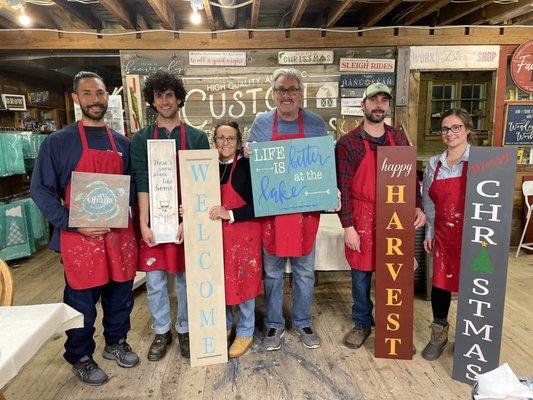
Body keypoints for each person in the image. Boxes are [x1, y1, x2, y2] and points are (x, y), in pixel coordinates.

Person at [30, 71, 139, 386]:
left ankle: (116, 342)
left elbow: (132, 190)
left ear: (108, 97)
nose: (96, 100)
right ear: (76, 99)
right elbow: (41, 190)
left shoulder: (123, 143)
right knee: (81, 304)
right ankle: (80, 355)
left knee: (121, 296)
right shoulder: (57, 142)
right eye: (88, 94)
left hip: (119, 236)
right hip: (79, 239)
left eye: (101, 93)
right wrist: (72, 222)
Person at [336, 82, 426, 350]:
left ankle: (392, 328)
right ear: (363, 105)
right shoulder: (348, 143)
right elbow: (342, 188)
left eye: (383, 100)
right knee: (361, 275)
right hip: (362, 215)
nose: (378, 105)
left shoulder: (398, 139)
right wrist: (348, 226)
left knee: (394, 272)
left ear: (388, 106)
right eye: (373, 100)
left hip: (394, 214)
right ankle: (362, 323)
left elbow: (412, 180)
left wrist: (418, 206)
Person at [131, 71, 209, 361]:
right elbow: (141, 179)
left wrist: (191, 219)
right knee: (155, 281)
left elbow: (202, 184)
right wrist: (143, 222)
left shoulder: (198, 137)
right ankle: (162, 330)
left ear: (178, 98)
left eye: (169, 95)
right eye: (159, 96)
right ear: (152, 101)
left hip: (185, 222)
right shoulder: (140, 139)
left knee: (187, 280)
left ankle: (186, 329)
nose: (165, 101)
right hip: (155, 221)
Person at [247, 68, 327, 351]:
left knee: (305, 271)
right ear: (273, 93)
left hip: (305, 212)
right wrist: (248, 154)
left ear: (300, 93)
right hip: (273, 212)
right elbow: (251, 166)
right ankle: (274, 324)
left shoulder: (317, 124)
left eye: (292, 89)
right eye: (281, 90)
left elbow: (322, 167)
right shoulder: (261, 124)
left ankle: (303, 321)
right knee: (273, 272)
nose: (286, 95)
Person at [422, 108, 475, 360]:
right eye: (445, 128)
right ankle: (438, 334)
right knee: (440, 283)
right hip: (443, 231)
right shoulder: (434, 163)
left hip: (474, 233)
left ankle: (469, 337)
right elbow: (429, 202)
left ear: (467, 130)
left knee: (473, 284)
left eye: (456, 127)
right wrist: (430, 231)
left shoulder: (481, 160)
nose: (450, 133)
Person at [207, 121, 262, 358]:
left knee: (245, 283)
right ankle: (226, 326)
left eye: (230, 138)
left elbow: (261, 205)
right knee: (222, 283)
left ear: (239, 142)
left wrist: (229, 214)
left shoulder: (248, 167)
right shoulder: (207, 167)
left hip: (244, 234)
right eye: (221, 138)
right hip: (217, 237)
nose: (225, 143)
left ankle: (245, 332)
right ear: (215, 141)